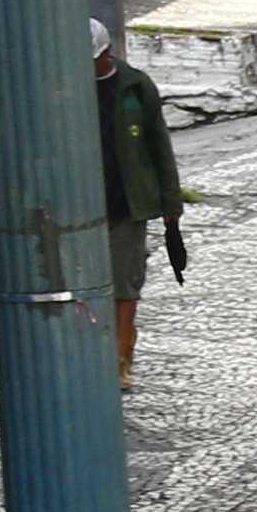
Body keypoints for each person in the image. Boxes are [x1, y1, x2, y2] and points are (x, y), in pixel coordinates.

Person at [90, 20, 185, 387]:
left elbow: (159, 144)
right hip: (83, 206)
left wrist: (170, 201)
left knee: (125, 287)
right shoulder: (67, 89)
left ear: (105, 53)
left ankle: (120, 361)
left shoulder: (135, 86)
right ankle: (92, 354)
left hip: (128, 205)